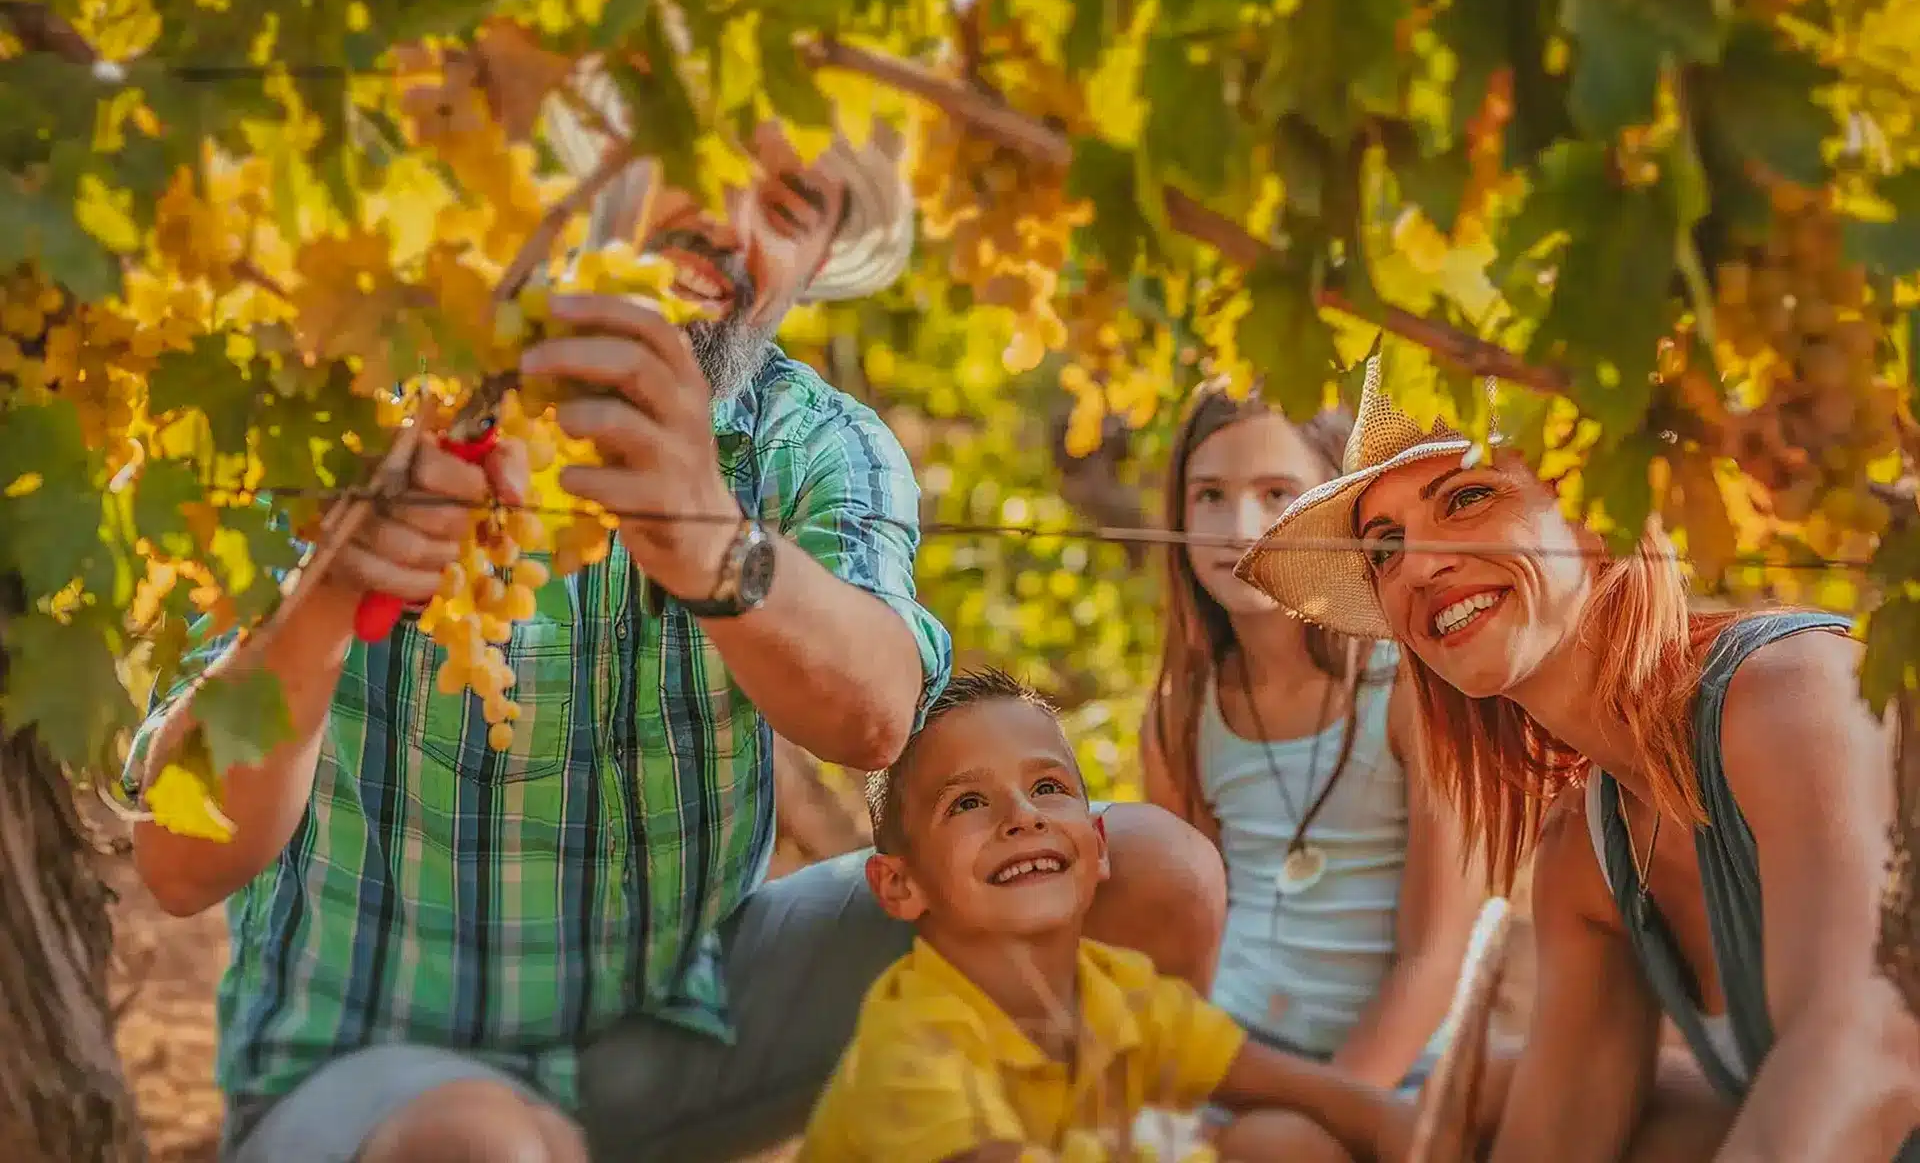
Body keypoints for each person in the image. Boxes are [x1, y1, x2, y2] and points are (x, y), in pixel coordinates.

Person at [121, 134, 1226, 1163]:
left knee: (1147, 881)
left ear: (818, 261)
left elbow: (878, 711)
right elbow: (179, 866)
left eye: (789, 207)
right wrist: (328, 594)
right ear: (606, 166)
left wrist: (718, 546)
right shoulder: (363, 397)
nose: (732, 223)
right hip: (378, 1079)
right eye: (701, 161)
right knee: (484, 1145)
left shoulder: (814, 442)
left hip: (691, 1028)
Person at [1238, 356, 1920, 1160]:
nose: (1416, 566)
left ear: (1598, 516)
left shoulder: (1788, 693)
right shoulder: (1586, 855)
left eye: (1466, 498)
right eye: (1383, 548)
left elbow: (1873, 1050)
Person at [801, 668, 1408, 1163]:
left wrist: (1414, 1130)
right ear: (901, 885)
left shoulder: (1116, 991)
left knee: (1282, 1144)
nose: (1023, 817)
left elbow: (1337, 1101)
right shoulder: (910, 1054)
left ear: (1098, 845)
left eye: (1047, 788)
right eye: (967, 802)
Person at [1142, 379, 1483, 1093]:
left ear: (1333, 512)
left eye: (1275, 493)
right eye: (1209, 495)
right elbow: (1185, 943)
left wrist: (1340, 1111)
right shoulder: (1181, 714)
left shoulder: (1411, 691)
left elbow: (1437, 955)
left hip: (1400, 1073)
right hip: (1240, 1056)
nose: (1239, 524)